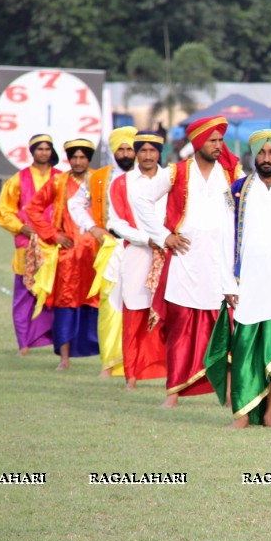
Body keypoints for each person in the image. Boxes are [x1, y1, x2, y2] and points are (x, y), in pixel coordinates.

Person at [205, 130, 271, 428]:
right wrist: (228, 284)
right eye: (262, 153)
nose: (267, 158)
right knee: (245, 350)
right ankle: (242, 414)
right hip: (247, 285)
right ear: (255, 154)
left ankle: (269, 415)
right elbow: (226, 242)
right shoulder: (237, 192)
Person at [135, 116, 242, 407]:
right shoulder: (175, 172)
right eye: (212, 140)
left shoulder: (233, 173)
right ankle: (173, 394)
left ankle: (232, 393)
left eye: (220, 140)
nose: (218, 146)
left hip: (222, 265)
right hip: (185, 262)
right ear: (197, 143)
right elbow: (141, 200)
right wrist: (162, 235)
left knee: (226, 331)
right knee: (181, 329)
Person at [25, 139, 102, 369]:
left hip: (97, 255)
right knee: (65, 305)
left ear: (89, 159)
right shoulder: (59, 182)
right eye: (74, 157)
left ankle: (105, 358)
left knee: (100, 304)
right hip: (68, 255)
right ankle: (65, 359)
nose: (78, 162)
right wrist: (53, 235)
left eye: (82, 157)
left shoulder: (100, 180)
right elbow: (33, 209)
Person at [68, 126, 138, 378]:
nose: (126, 153)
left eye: (130, 148)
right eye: (121, 148)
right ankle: (109, 364)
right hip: (112, 247)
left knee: (141, 305)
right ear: (113, 151)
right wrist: (92, 227)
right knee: (111, 305)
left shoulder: (147, 175)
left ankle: (138, 364)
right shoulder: (98, 178)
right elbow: (75, 203)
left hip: (143, 248)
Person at [106, 131, 169, 388]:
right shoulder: (122, 183)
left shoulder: (172, 179)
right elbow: (116, 223)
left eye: (152, 151)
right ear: (135, 153)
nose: (147, 156)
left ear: (159, 153)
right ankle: (131, 375)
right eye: (142, 150)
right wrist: (146, 238)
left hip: (170, 255)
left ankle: (171, 374)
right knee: (134, 313)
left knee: (171, 315)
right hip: (136, 253)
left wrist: (164, 239)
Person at [0, 133, 57, 355]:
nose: (44, 153)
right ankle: (24, 344)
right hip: (27, 245)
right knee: (25, 295)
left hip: (55, 246)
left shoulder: (60, 178)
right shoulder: (18, 180)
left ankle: (55, 339)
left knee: (55, 295)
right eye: (40, 149)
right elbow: (4, 212)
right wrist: (21, 227)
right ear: (32, 152)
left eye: (47, 149)